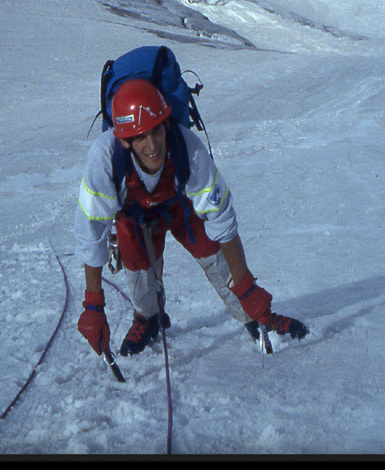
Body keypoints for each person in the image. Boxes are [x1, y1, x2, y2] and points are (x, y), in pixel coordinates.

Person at [74, 77, 308, 359]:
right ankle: (147, 319)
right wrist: (93, 305)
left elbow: (221, 218)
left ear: (166, 124)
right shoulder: (104, 159)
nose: (152, 146)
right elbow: (92, 231)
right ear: (124, 140)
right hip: (133, 218)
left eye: (156, 130)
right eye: (139, 137)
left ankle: (254, 316)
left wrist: (246, 286)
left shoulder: (187, 146)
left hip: (181, 207)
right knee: (138, 273)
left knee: (215, 256)